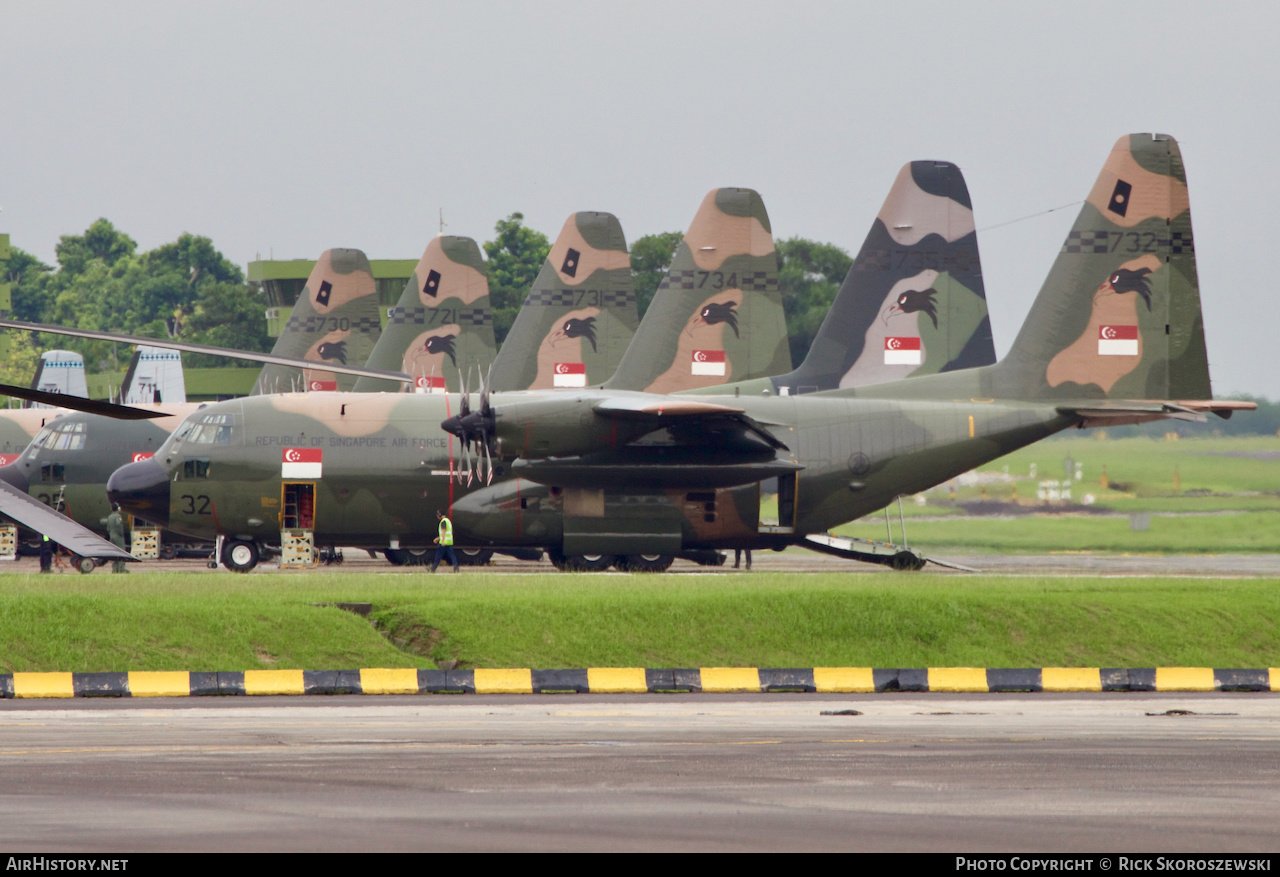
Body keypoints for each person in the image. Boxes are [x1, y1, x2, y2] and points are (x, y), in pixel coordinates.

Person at [431, 508, 459, 573]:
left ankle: (433, 569)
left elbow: (443, 531)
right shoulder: (448, 521)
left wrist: (442, 540)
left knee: (438, 555)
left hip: (444, 542)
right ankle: (456, 567)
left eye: (437, 515)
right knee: (452, 555)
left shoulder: (443, 522)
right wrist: (437, 539)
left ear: (439, 515)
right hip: (449, 542)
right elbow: (449, 532)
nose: (437, 517)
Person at [106, 504, 129, 574]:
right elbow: (119, 525)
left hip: (111, 535)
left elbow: (108, 528)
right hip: (118, 536)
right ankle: (121, 569)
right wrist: (121, 534)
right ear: (117, 509)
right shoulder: (118, 516)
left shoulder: (109, 517)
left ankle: (115, 569)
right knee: (121, 552)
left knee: (114, 553)